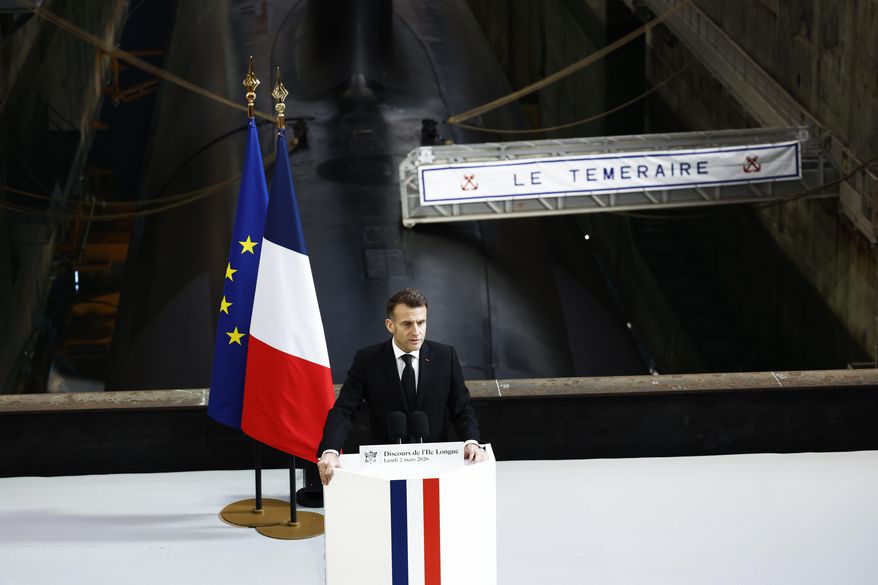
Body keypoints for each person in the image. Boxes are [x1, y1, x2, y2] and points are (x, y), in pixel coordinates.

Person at [317, 288, 486, 485]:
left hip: (436, 464)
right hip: (384, 468)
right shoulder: (368, 360)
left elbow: (462, 408)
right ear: (390, 325)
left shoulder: (445, 356)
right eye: (407, 324)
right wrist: (330, 450)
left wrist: (471, 441)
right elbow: (344, 409)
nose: (416, 332)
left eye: (421, 322)